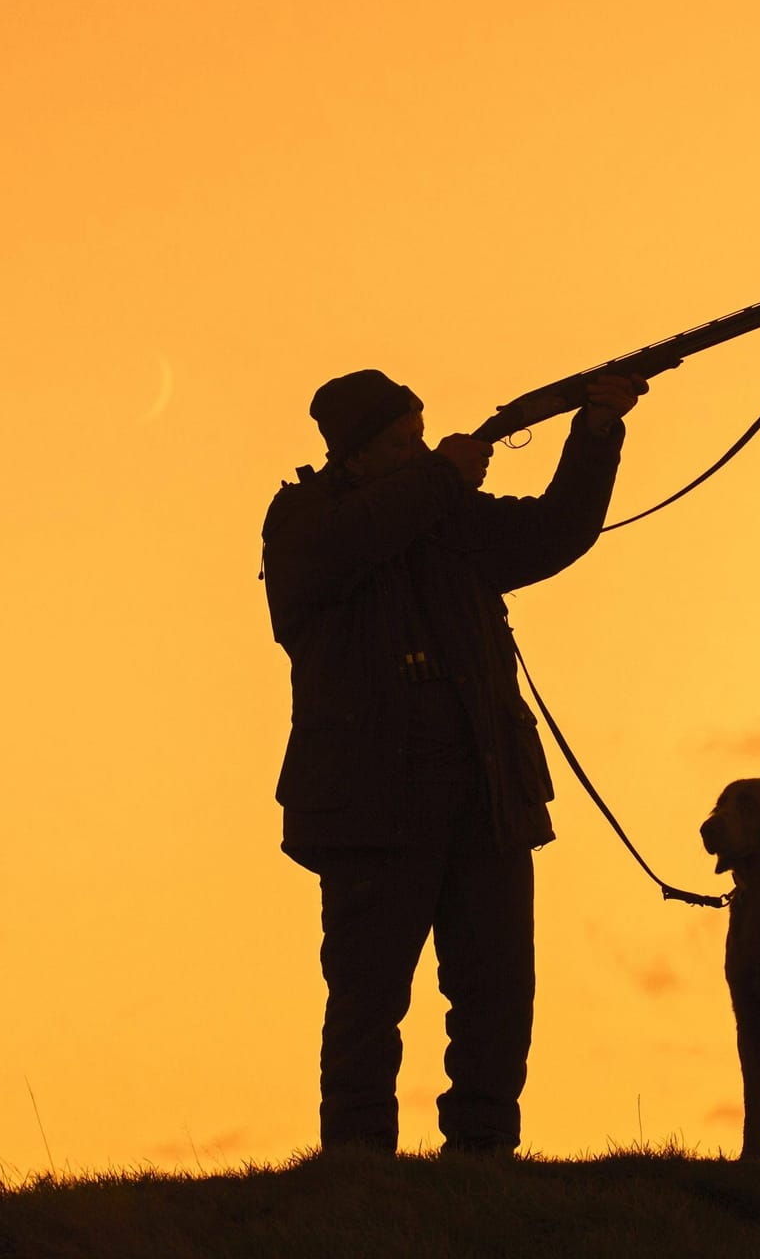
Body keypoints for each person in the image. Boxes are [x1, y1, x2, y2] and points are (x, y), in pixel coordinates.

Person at [260, 367, 647, 1155]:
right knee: (369, 995)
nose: (424, 446)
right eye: (404, 439)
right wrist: (441, 475)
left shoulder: (441, 515)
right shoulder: (304, 518)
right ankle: (358, 1160)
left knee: (497, 989)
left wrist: (597, 432)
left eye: (421, 432)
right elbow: (354, 542)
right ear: (355, 453)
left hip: (483, 786)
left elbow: (551, 534)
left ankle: (483, 1154)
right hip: (370, 800)